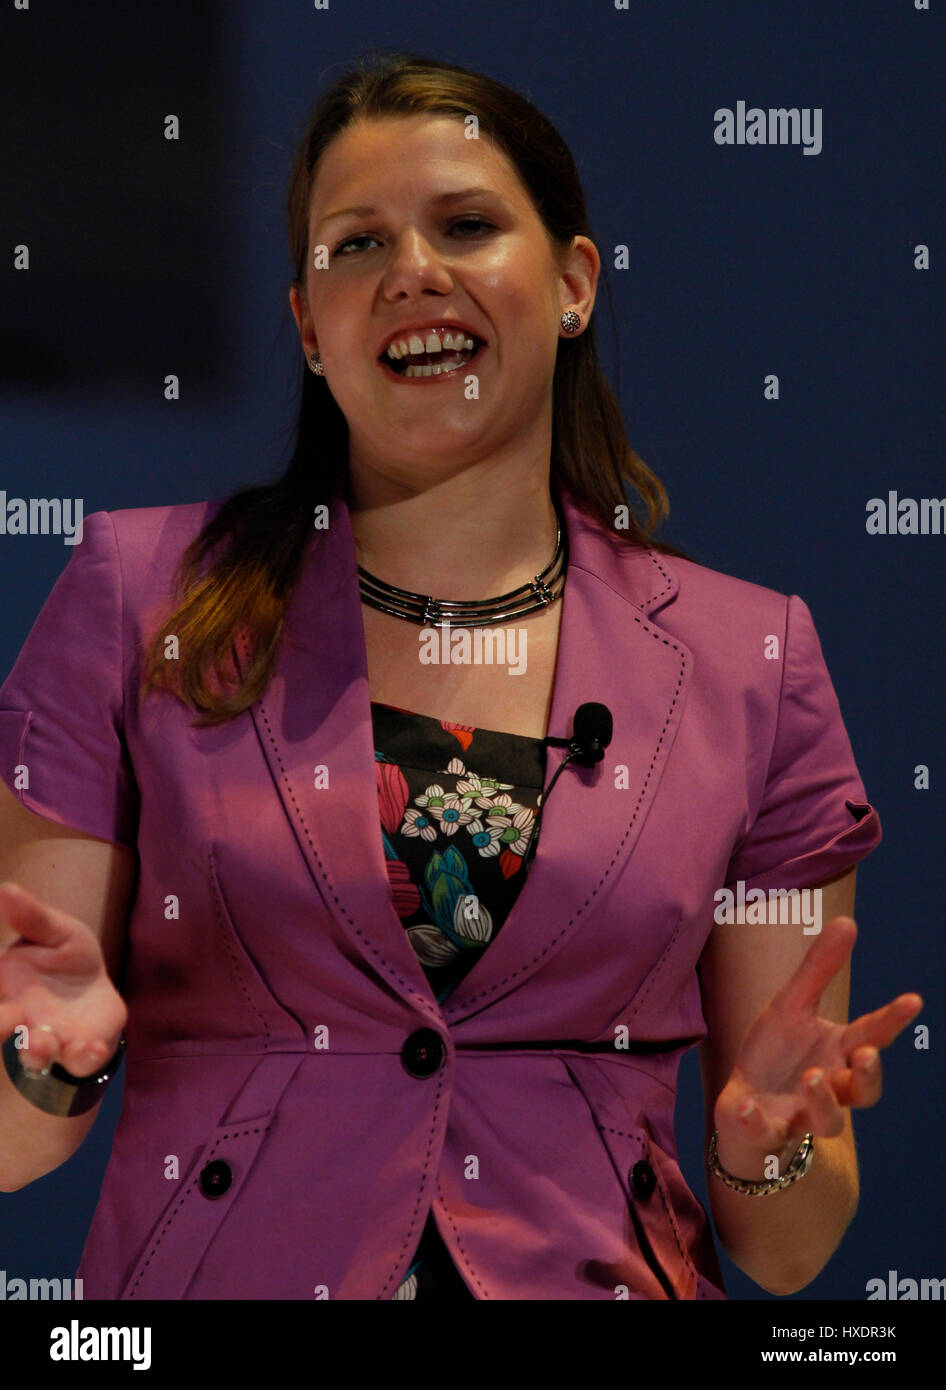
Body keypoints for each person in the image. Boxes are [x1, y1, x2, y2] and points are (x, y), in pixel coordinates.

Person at [0, 51, 922, 1301]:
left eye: (468, 226)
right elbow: (18, 1143)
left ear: (575, 285)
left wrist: (769, 1144)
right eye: (355, 245)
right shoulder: (134, 594)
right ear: (307, 330)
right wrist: (40, 1057)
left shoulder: (749, 661)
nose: (410, 274)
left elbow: (791, 1241)